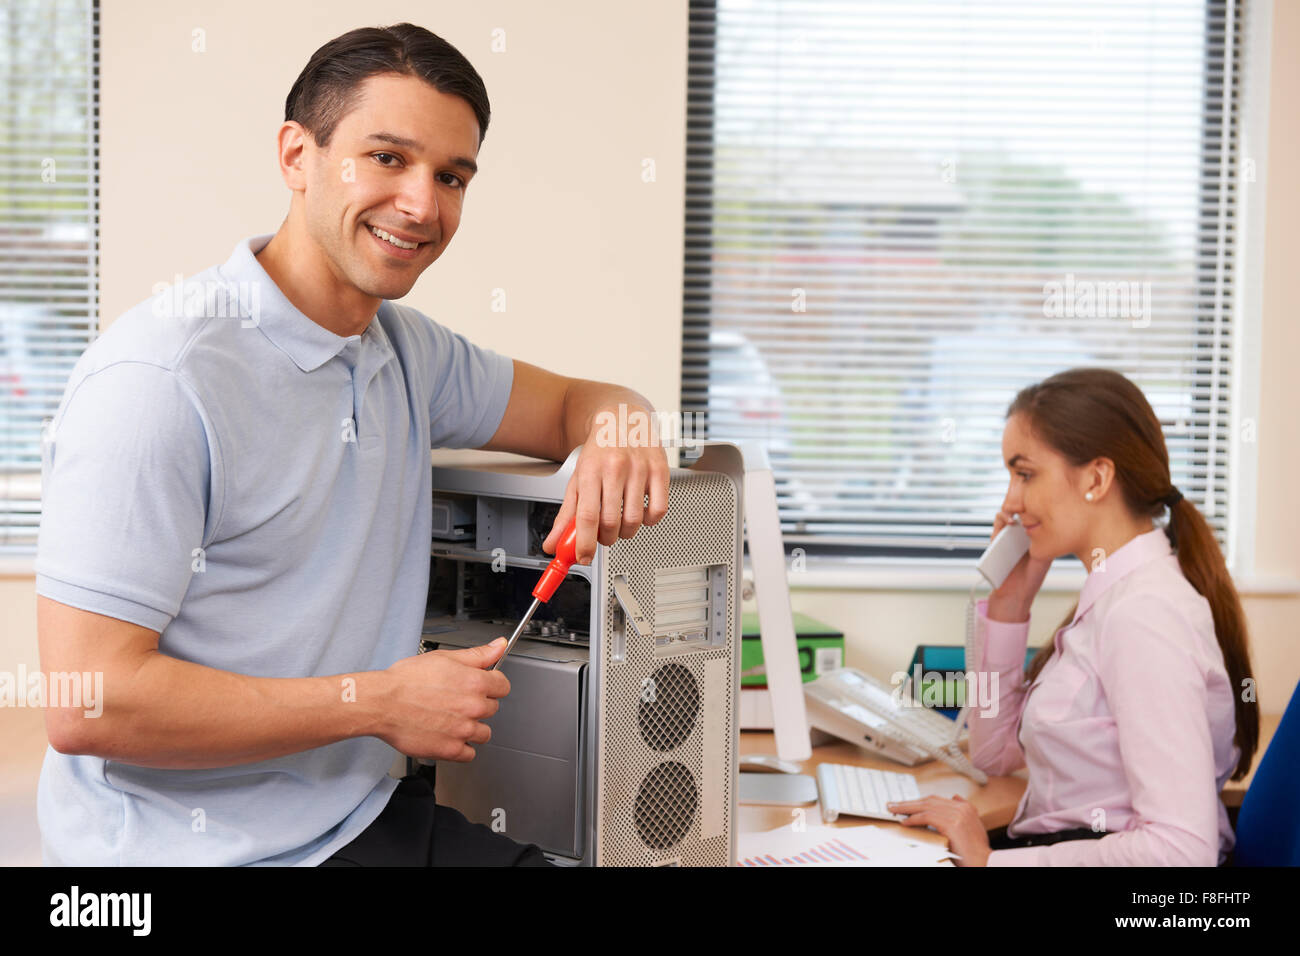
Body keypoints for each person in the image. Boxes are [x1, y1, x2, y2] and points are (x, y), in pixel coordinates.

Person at [34, 23, 669, 866]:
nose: (423, 204)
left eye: (452, 176)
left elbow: (577, 404)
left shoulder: (407, 353)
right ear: (297, 156)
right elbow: (90, 704)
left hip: (362, 818)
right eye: (387, 158)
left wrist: (623, 426)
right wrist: (376, 704)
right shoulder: (159, 381)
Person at [885, 368, 1258, 866]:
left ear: (1097, 478)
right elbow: (992, 754)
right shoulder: (1111, 599)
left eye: (1025, 474)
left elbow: (1181, 852)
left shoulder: (1144, 616)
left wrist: (992, 862)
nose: (1010, 504)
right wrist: (1009, 607)